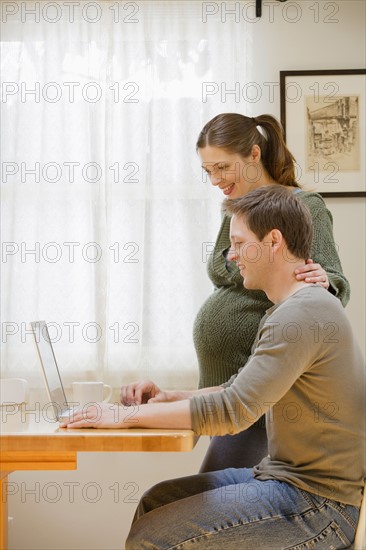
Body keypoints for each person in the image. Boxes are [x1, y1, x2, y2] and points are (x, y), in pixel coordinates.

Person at [62, 186, 365, 549]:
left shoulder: (302, 313)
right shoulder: (291, 309)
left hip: (319, 506)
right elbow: (233, 389)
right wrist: (168, 397)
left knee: (153, 538)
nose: (232, 256)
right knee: (155, 503)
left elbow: (233, 411)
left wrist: (120, 416)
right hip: (285, 482)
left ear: (273, 242)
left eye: (237, 243)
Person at [193, 113, 350, 472]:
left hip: (264, 397)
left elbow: (333, 287)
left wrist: (324, 281)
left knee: (209, 507)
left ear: (253, 154)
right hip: (230, 392)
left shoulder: (303, 207)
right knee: (205, 503)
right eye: (208, 171)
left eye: (222, 167)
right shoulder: (237, 208)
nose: (216, 179)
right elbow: (227, 275)